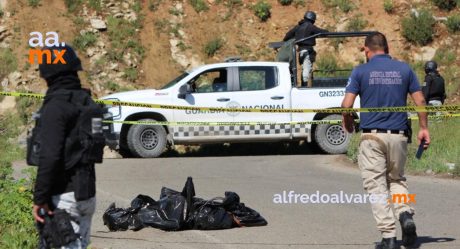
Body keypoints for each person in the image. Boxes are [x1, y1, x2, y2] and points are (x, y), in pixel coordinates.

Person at [341, 32, 430, 249]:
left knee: (377, 187)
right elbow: (419, 100)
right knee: (397, 180)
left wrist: (348, 121)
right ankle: (405, 214)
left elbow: (346, 104)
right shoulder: (404, 69)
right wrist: (424, 128)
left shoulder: (360, 71)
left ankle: (389, 237)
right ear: (387, 48)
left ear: (367, 50)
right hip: (398, 136)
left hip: (372, 136)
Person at [32, 44, 96, 249]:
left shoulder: (56, 106)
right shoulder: (86, 101)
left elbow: (50, 156)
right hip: (87, 195)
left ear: (47, 73)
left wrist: (39, 197)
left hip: (64, 199)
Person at [283, 11, 329, 86]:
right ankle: (304, 87)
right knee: (306, 70)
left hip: (300, 52)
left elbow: (287, 36)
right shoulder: (311, 26)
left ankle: (303, 85)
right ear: (313, 20)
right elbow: (322, 32)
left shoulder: (298, 27)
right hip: (307, 51)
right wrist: (327, 32)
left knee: (304, 69)